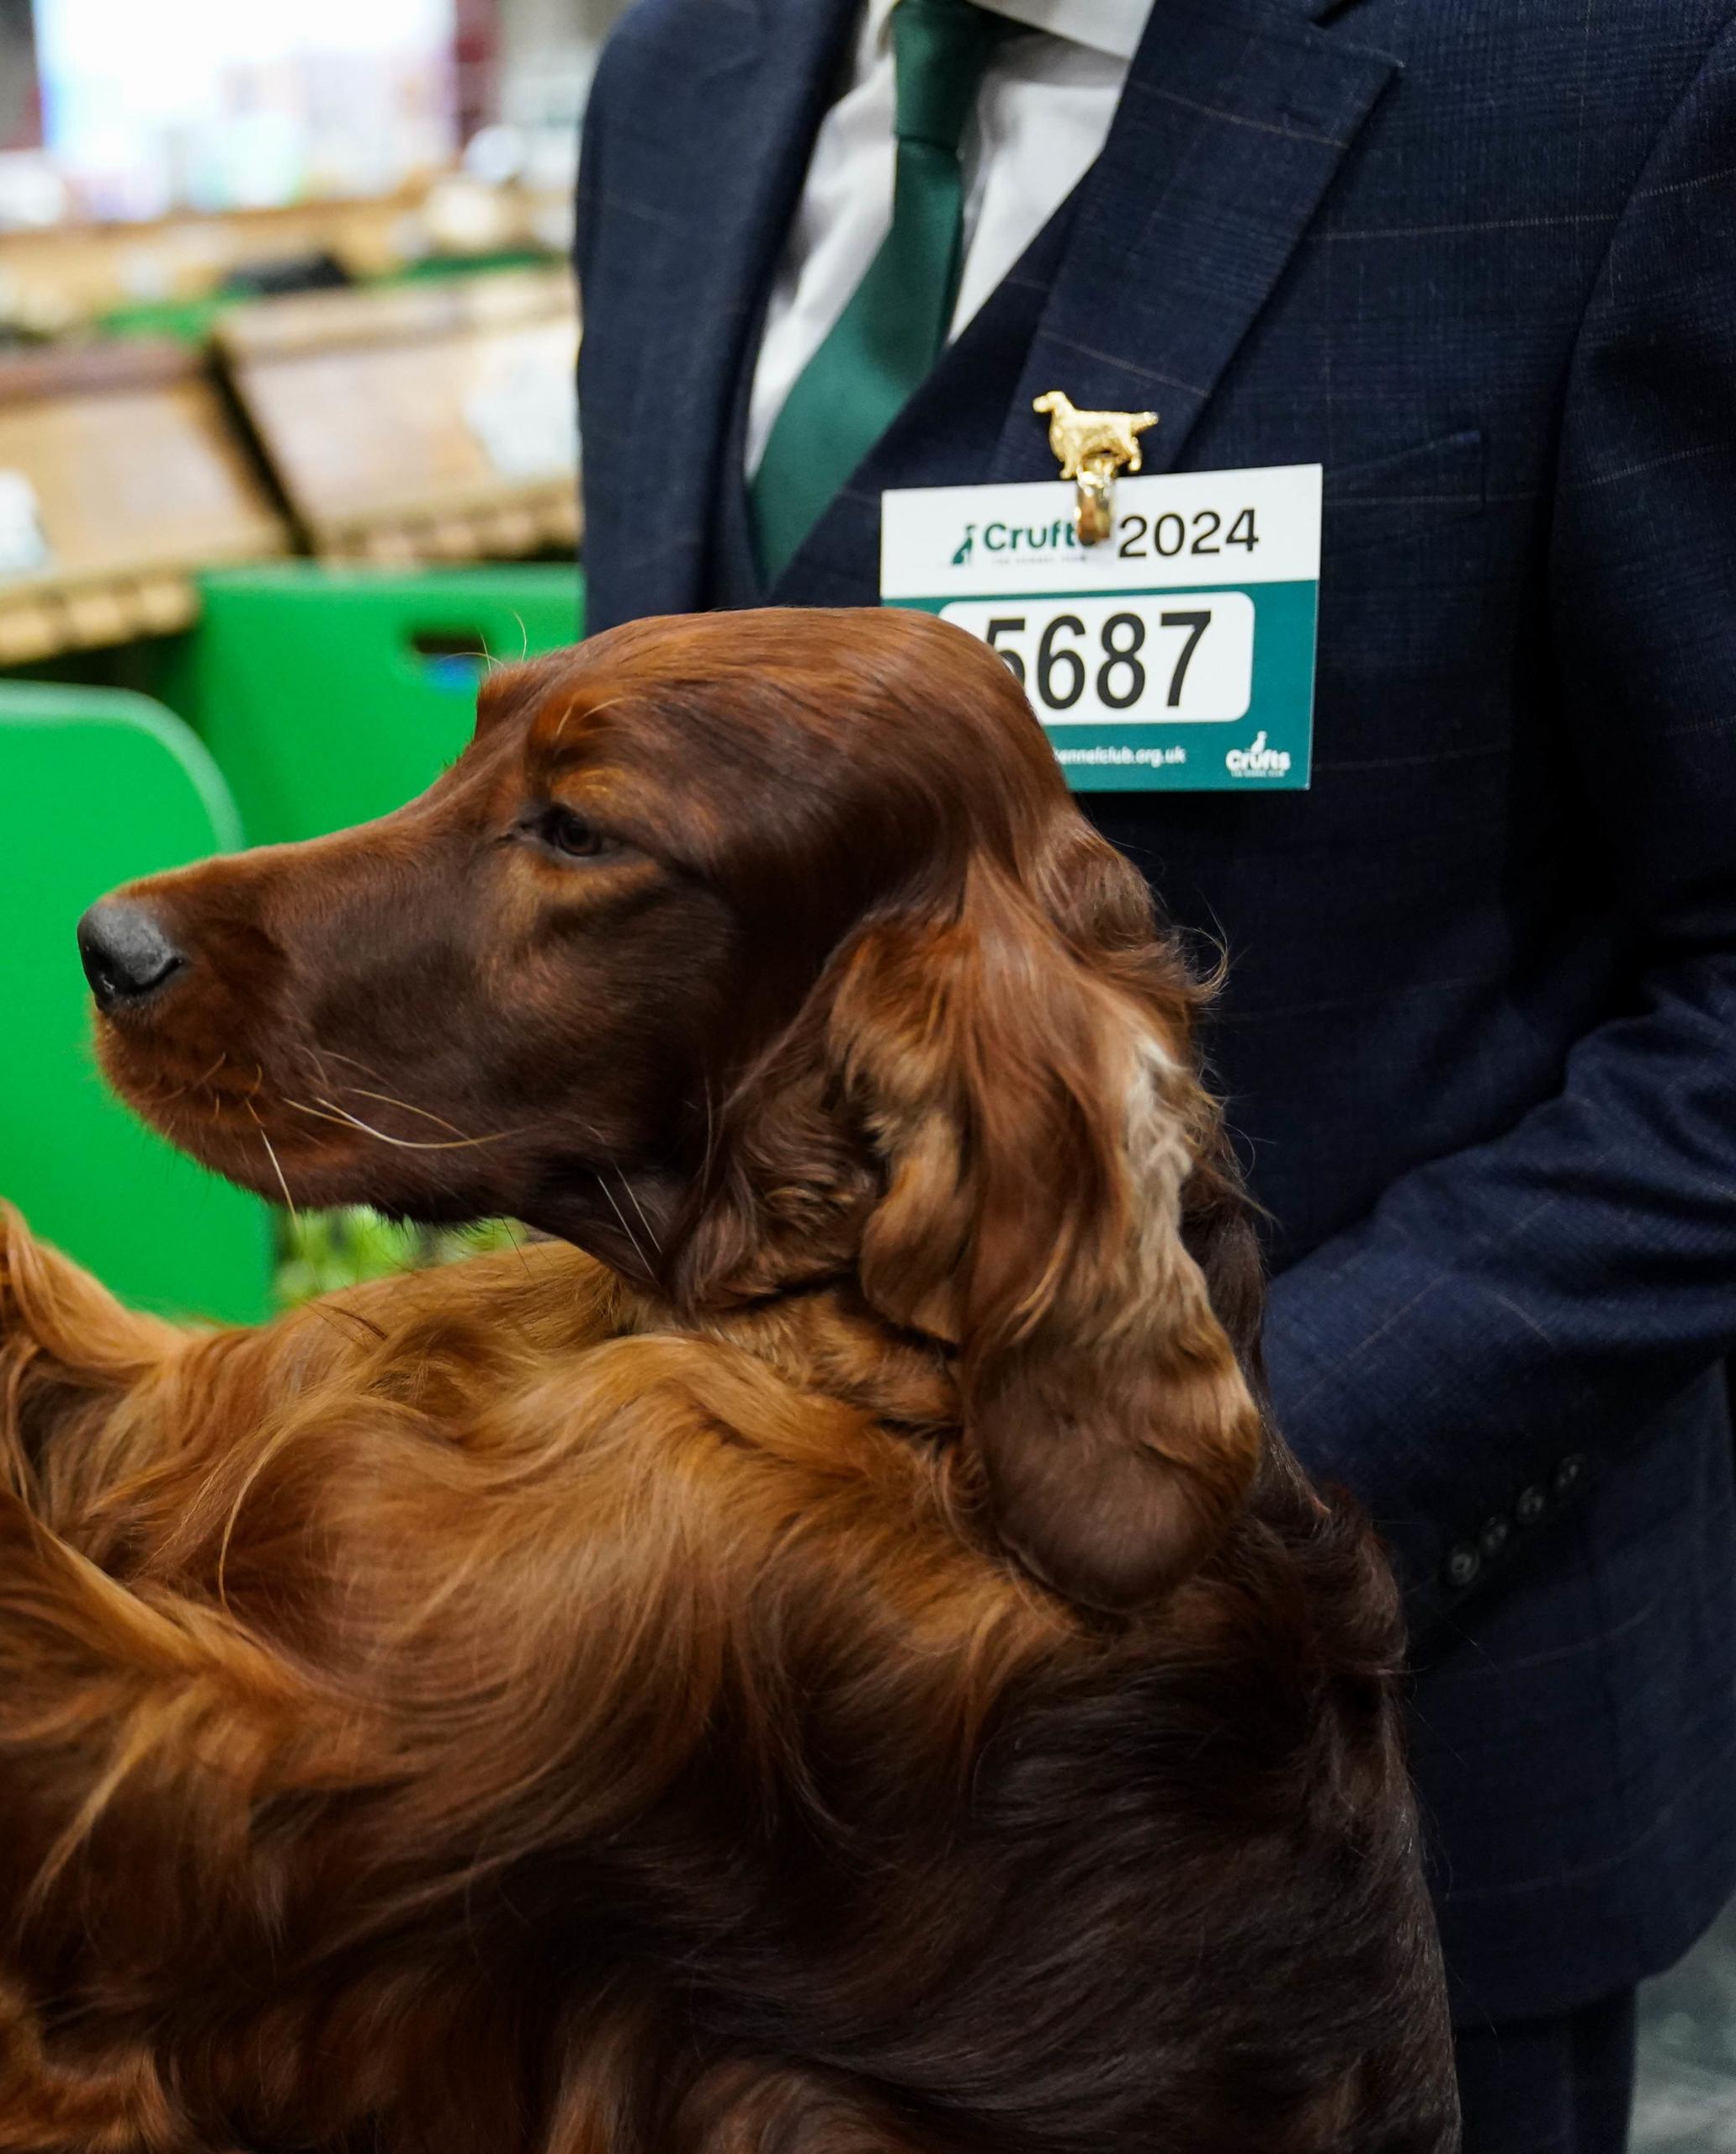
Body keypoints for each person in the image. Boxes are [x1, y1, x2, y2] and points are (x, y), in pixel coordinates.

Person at [573, 2, 1736, 2147]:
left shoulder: (1613, 78)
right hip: (738, 1776)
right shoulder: (687, 83)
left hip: (1339, 1761)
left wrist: (1175, 1459)